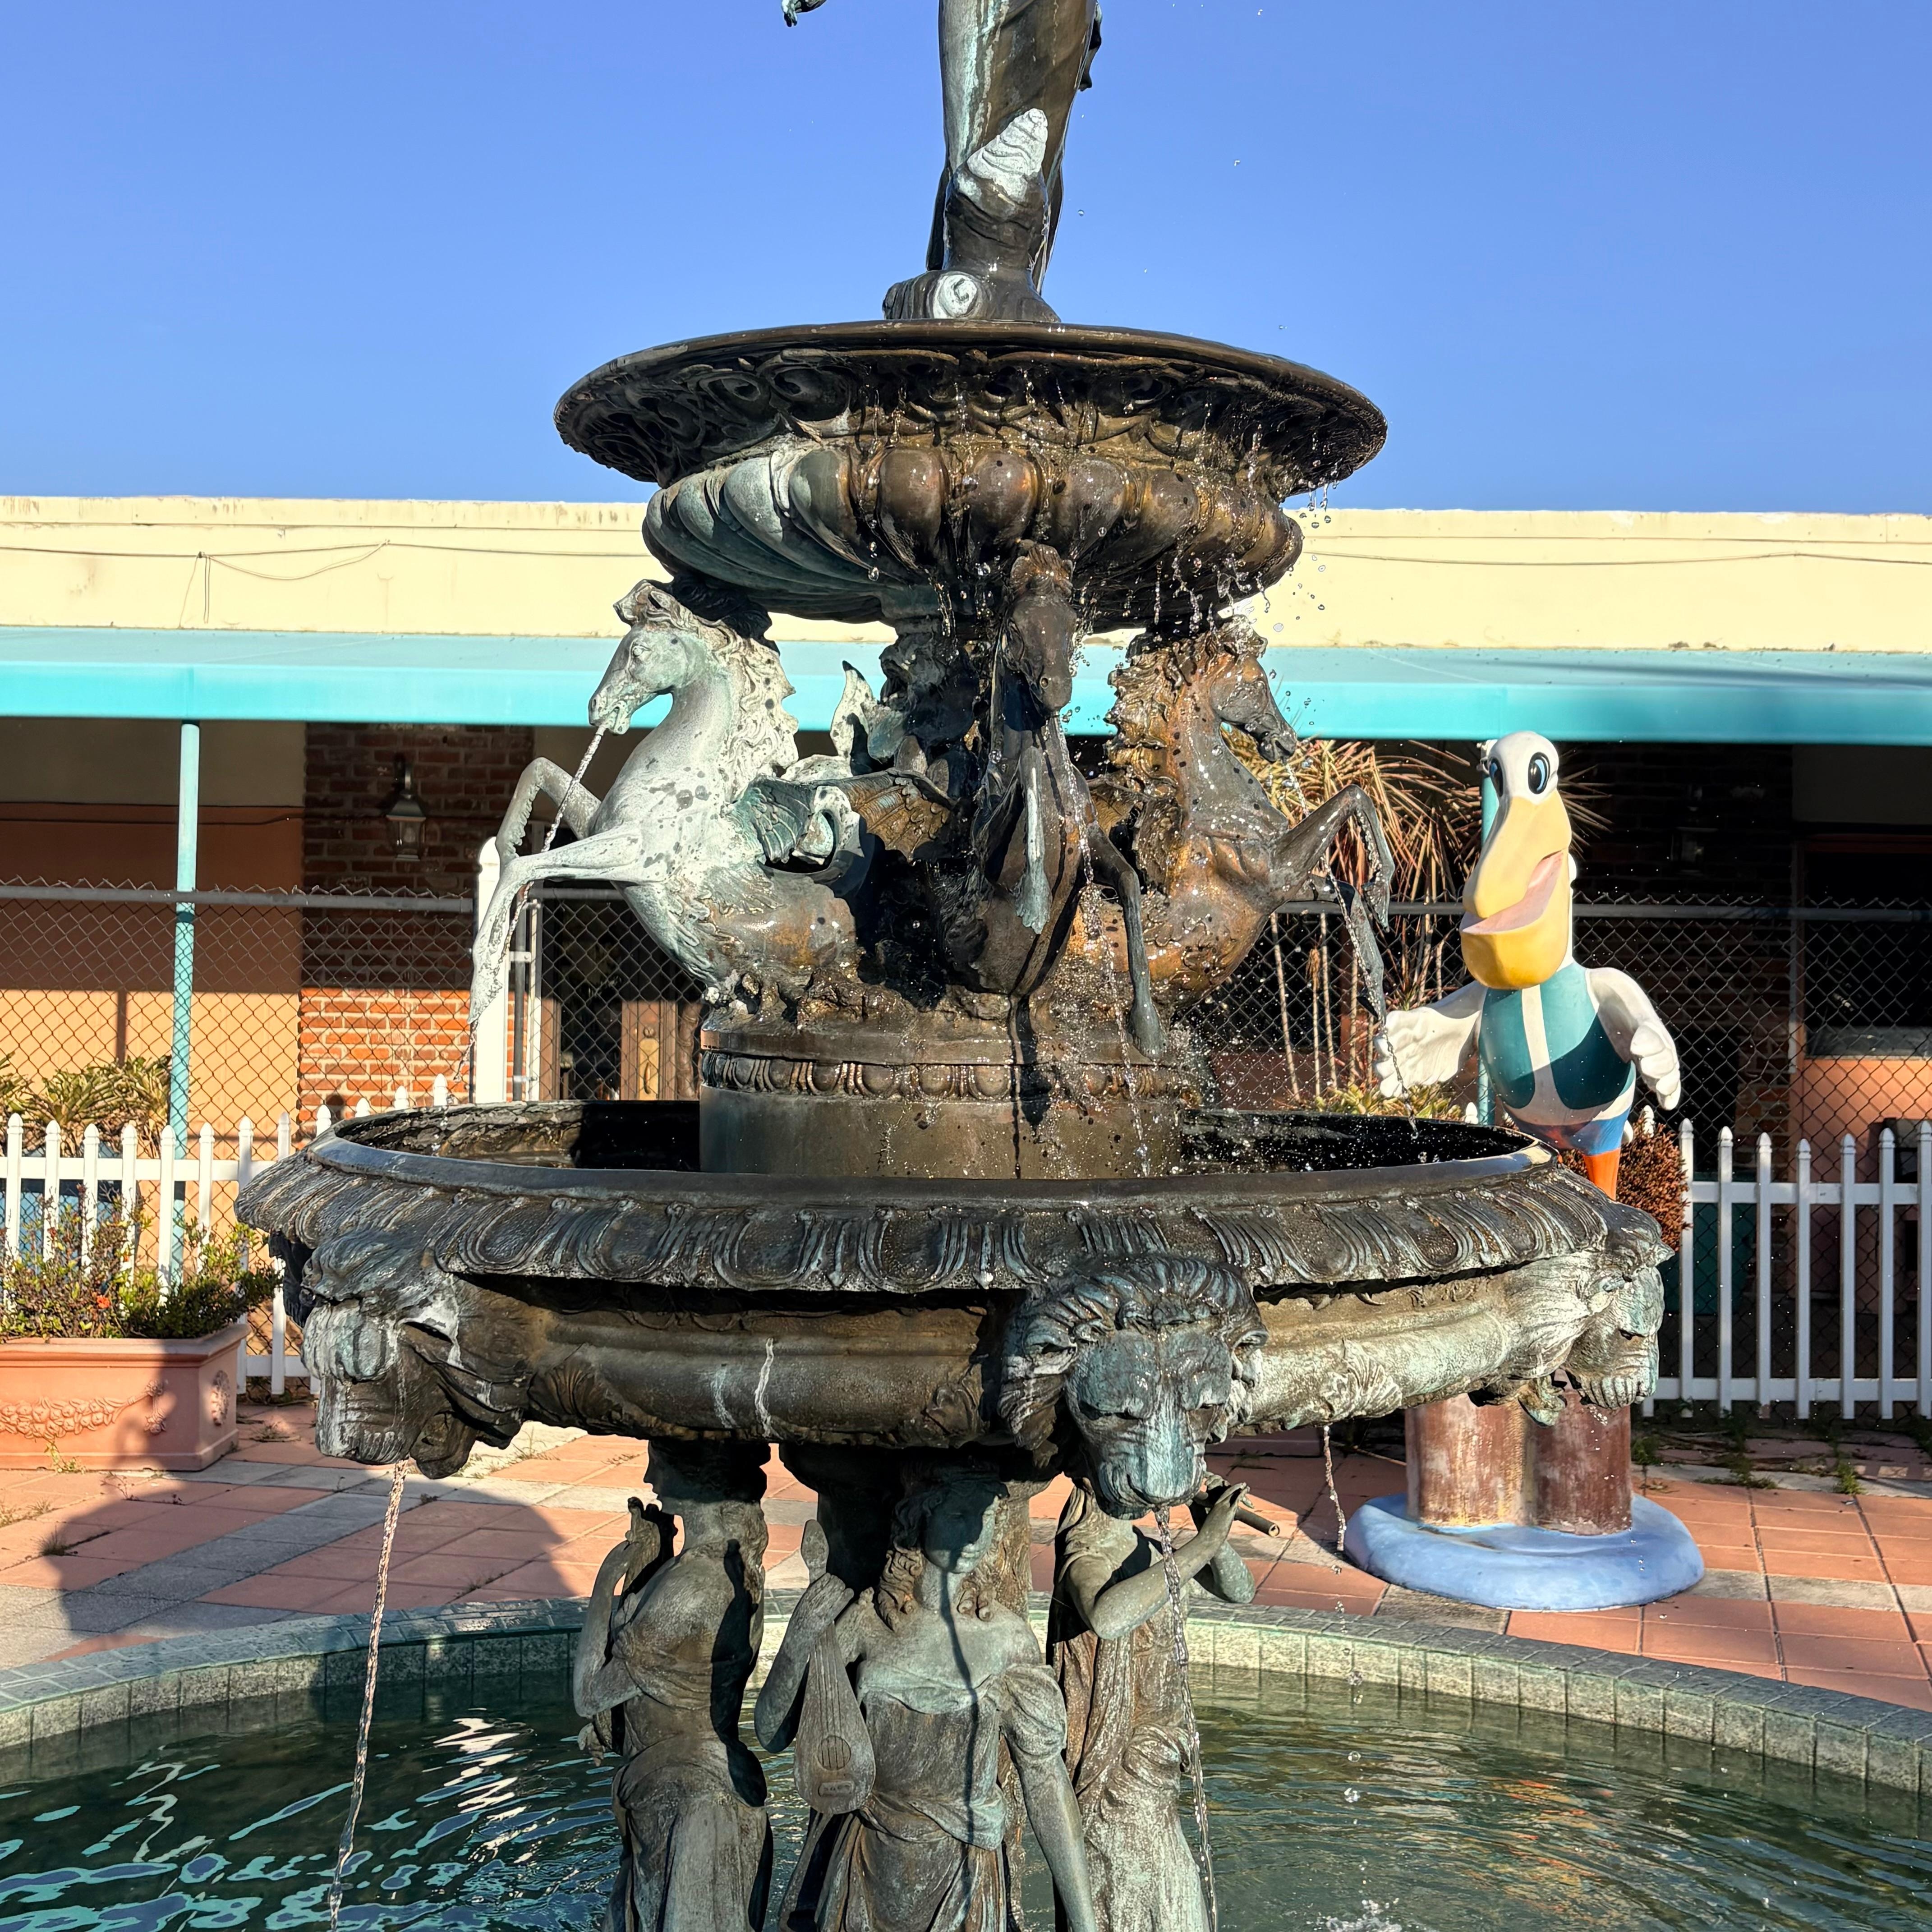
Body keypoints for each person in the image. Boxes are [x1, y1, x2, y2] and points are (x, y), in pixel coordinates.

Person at [756, 1461, 1100, 1932]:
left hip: (963, 1875)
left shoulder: (1006, 1638)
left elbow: (1045, 1781)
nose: (975, 1533)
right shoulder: (869, 1622)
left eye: (987, 1517)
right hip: (866, 1865)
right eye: (959, 1514)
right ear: (920, 1519)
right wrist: (799, 1640)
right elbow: (773, 1735)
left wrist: (1083, 1921)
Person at [574, 1441, 773, 1932]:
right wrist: (653, 1557)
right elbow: (672, 1681)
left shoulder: (691, 1587)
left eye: (659, 1463)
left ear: (700, 1479)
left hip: (688, 1796)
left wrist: (604, 1586)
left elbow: (589, 1695)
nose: (649, 1477)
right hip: (690, 1780)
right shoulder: (719, 1569)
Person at [1048, 1480, 1253, 1932]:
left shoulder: (1148, 1548)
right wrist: (1204, 1544)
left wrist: (1210, 1532)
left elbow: (1240, 1590)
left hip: (1159, 1762)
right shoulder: (1087, 1558)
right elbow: (1107, 1618)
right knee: (1143, 1902)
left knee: (1171, 1904)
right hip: (1119, 1774)